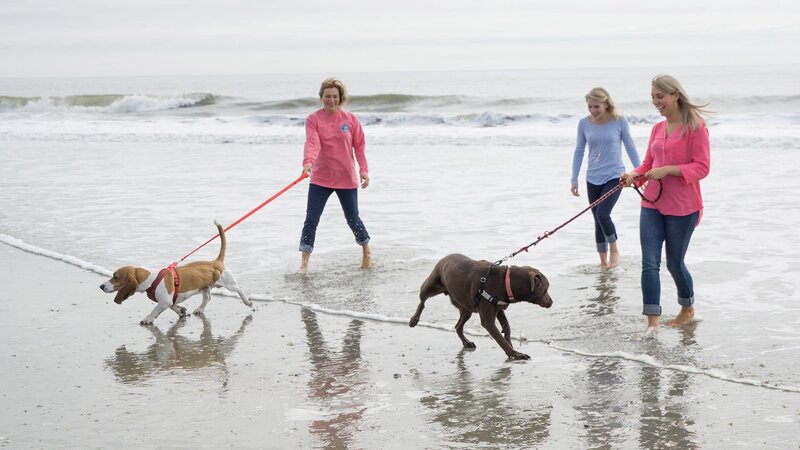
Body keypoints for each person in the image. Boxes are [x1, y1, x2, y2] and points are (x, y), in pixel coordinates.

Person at [621, 74, 711, 334]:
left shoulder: (695, 126)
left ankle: (687, 307)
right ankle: (652, 323)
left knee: (674, 263)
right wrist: (633, 177)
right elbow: (648, 165)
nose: (655, 102)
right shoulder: (657, 129)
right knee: (649, 262)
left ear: (675, 95)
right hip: (652, 204)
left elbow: (702, 167)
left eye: (660, 96)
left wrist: (670, 170)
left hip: (684, 208)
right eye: (652, 97)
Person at [299, 77, 371, 272]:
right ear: (321, 97)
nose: (331, 100)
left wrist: (363, 170)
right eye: (327, 96)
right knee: (311, 219)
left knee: (353, 219)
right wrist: (308, 164)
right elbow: (312, 143)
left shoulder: (351, 119)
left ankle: (366, 251)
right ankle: (304, 263)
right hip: (320, 178)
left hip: (346, 177)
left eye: (334, 96)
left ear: (341, 98)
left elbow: (360, 147)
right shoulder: (313, 119)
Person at [571, 87, 641, 270]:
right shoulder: (583, 124)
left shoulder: (619, 121)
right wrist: (574, 178)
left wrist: (640, 172)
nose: (593, 110)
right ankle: (603, 262)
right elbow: (579, 151)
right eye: (590, 107)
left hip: (614, 175)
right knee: (597, 219)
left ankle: (614, 250)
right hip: (592, 177)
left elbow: (630, 147)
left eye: (596, 106)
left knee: (603, 214)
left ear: (606, 103)